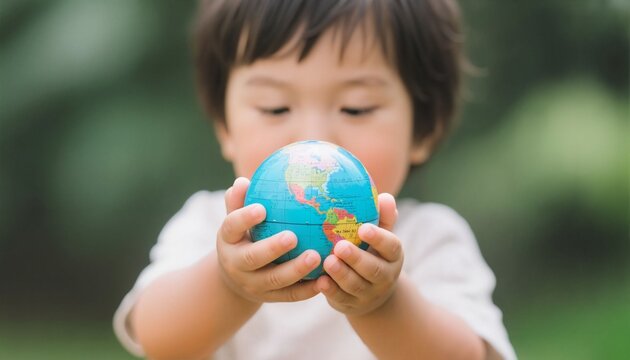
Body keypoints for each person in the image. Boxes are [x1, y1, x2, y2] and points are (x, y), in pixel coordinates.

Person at [114, 0, 517, 359]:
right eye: (275, 107)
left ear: (424, 129)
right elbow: (158, 340)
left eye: (356, 108)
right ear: (224, 127)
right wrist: (228, 284)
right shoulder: (208, 228)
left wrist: (383, 304)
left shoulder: (431, 240)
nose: (315, 141)